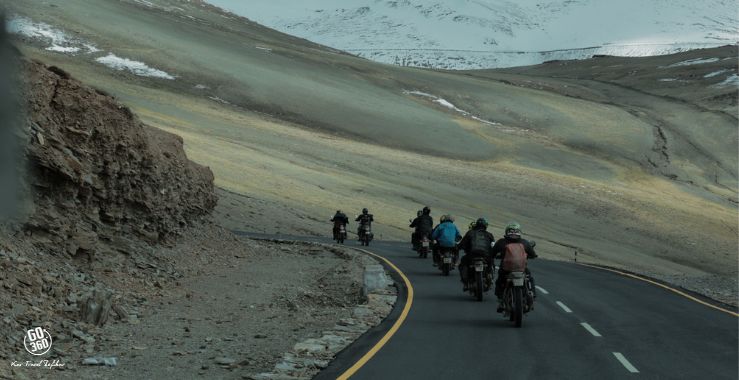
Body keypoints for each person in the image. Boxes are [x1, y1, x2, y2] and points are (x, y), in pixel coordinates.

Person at [492, 222, 537, 312]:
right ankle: (532, 293)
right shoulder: (524, 242)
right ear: (519, 232)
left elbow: (492, 253)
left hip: (506, 269)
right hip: (521, 269)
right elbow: (533, 254)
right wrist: (532, 255)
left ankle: (501, 300)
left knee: (500, 280)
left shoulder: (502, 242)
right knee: (529, 278)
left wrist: (495, 255)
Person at [458, 218, 495, 290]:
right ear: (485, 226)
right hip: (486, 256)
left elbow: (462, 244)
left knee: (462, 263)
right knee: (491, 263)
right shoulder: (489, 235)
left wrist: (458, 247)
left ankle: (465, 282)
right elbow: (493, 246)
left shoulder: (470, 233)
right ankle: (490, 277)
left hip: (472, 255)